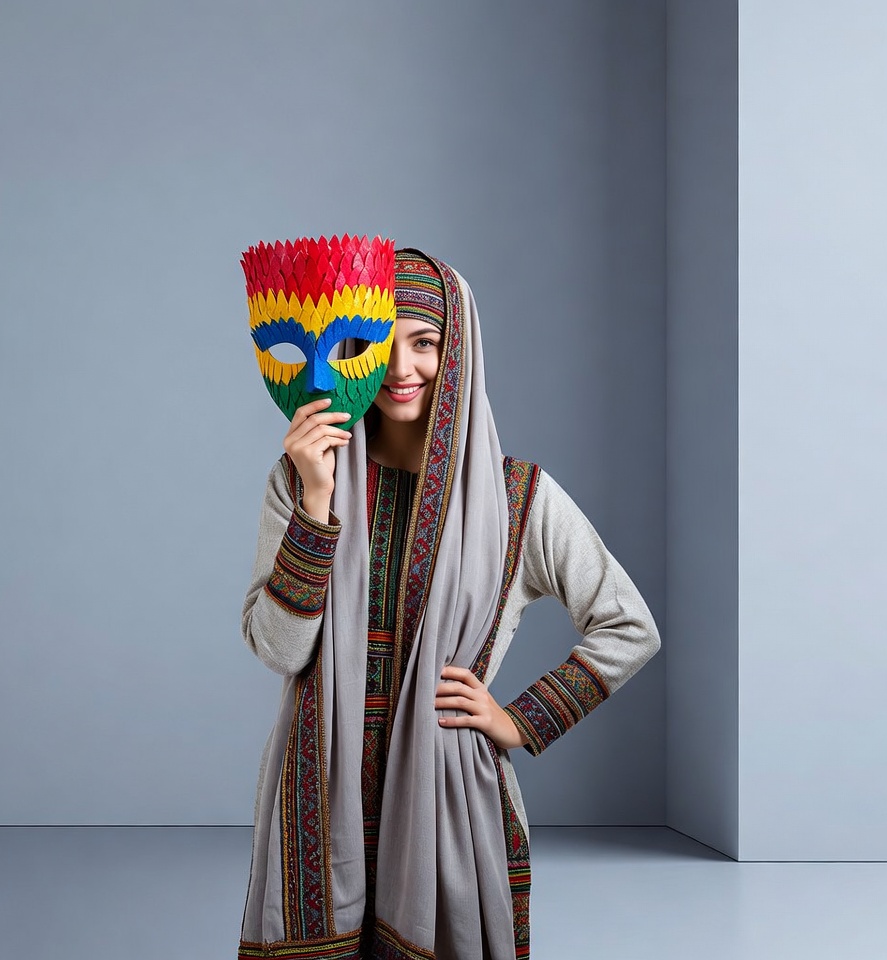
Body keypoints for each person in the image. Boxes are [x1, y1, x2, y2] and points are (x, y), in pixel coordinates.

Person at [238, 249, 660, 960]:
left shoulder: (517, 498)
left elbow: (629, 625)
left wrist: (519, 720)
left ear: (458, 350)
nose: (401, 369)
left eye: (426, 343)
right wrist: (317, 504)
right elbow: (278, 649)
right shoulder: (303, 475)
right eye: (375, 344)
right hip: (316, 799)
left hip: (446, 803)